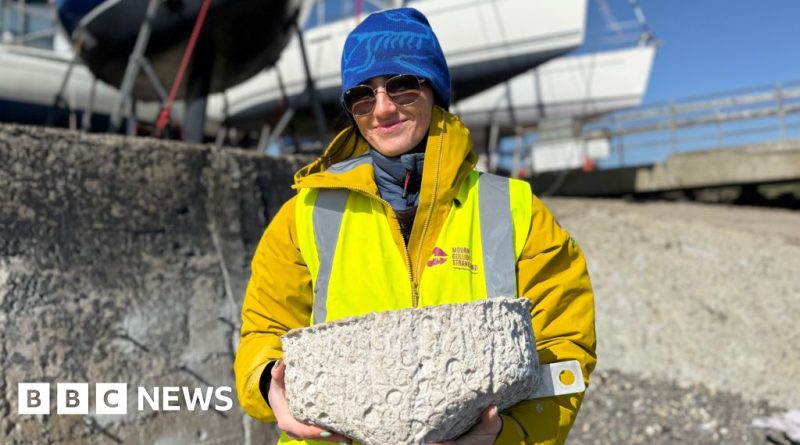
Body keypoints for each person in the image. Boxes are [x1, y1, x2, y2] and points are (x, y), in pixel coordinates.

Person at [235, 7, 596, 445]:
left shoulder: (516, 210)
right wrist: (267, 383)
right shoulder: (303, 214)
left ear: (434, 90)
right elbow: (263, 331)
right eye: (362, 95)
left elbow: (565, 349)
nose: (383, 108)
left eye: (402, 85)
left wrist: (510, 435)